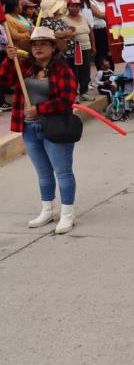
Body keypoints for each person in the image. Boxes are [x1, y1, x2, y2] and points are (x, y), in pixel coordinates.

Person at [2, 27, 79, 234]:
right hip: (29, 128)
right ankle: (47, 210)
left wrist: (40, 109)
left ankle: (67, 213)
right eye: (35, 44)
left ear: (53, 47)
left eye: (43, 44)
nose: (38, 48)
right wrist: (9, 60)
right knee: (43, 173)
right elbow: (5, 81)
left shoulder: (63, 70)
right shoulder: (25, 66)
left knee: (63, 172)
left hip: (55, 127)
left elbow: (67, 99)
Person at [63, 0, 95, 102]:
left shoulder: (84, 18)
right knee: (74, 72)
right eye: (72, 6)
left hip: (86, 47)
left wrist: (93, 46)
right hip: (73, 49)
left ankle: (84, 92)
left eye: (77, 6)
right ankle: (74, 94)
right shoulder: (64, 20)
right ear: (68, 7)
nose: (75, 8)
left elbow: (91, 32)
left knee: (85, 70)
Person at [88, 0, 112, 70]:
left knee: (110, 53)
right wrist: (111, 16)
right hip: (98, 31)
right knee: (101, 54)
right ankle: (102, 73)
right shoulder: (91, 2)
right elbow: (100, 15)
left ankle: (111, 72)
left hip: (109, 29)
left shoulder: (107, 1)